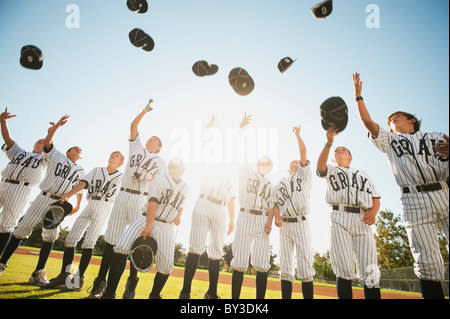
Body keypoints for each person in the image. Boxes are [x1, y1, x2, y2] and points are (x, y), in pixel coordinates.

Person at [353, 72, 449, 299]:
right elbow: (368, 123)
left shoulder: (437, 136)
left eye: (396, 117)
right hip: (413, 198)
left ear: (412, 120)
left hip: (445, 191)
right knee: (427, 262)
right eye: (389, 120)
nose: (392, 120)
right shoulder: (390, 141)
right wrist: (359, 97)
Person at [87, 100, 167, 299]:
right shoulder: (136, 148)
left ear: (159, 147)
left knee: (136, 241)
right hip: (122, 194)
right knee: (111, 241)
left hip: (140, 199)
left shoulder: (160, 161)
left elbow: (161, 182)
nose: (151, 139)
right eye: (150, 138)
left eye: (155, 140)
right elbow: (133, 126)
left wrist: (148, 177)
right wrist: (145, 110)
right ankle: (100, 284)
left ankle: (131, 283)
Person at [0, 114, 84, 285]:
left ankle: (38, 272)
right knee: (21, 229)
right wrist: (55, 129)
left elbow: (81, 186)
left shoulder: (81, 170)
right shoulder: (58, 156)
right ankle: (2, 263)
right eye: (75, 148)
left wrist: (77, 204)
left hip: (58, 203)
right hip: (43, 196)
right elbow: (47, 144)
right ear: (68, 152)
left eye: (80, 151)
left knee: (51, 236)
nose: (79, 150)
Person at [100, 157, 189, 299]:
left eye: (181, 165)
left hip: (167, 225)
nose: (179, 167)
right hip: (146, 218)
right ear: (170, 166)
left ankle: (154, 295)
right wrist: (149, 225)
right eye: (176, 164)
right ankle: (109, 293)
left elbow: (182, 204)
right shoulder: (160, 179)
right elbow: (153, 201)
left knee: (166, 266)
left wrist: (178, 216)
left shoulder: (185, 186)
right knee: (121, 247)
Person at [42, 151, 124, 291]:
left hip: (105, 206)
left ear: (121, 162)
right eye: (112, 154)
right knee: (70, 239)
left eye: (117, 155)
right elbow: (83, 183)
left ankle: (78, 280)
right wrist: (68, 195)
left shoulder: (122, 177)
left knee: (89, 242)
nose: (113, 155)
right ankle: (64, 275)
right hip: (90, 202)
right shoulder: (97, 170)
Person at [317, 125, 382, 299]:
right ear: (334, 157)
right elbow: (320, 166)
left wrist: (374, 212)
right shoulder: (331, 170)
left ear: (350, 157)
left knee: (370, 267)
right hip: (339, 215)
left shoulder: (364, 174)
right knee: (344, 267)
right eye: (337, 150)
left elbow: (375, 197)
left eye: (343, 149)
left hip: (363, 217)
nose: (340, 151)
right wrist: (329, 143)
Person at [179, 115, 236, 299]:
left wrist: (232, 219)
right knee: (196, 247)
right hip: (204, 202)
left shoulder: (233, 172)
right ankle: (185, 291)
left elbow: (232, 198)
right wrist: (208, 128)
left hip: (221, 208)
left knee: (216, 252)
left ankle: (212, 293)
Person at [230, 113, 274, 299]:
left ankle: (260, 303)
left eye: (267, 162)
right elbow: (238, 151)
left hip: (263, 218)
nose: (263, 163)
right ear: (257, 164)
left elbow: (272, 206)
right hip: (245, 215)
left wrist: (269, 222)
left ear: (270, 167)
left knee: (262, 262)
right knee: (239, 259)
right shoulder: (246, 172)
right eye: (261, 161)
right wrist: (240, 129)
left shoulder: (271, 184)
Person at [0, 108, 46, 272]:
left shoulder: (45, 159)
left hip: (21, 189)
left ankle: (0, 263)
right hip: (3, 183)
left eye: (45, 142)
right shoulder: (20, 152)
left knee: (6, 226)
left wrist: (51, 134)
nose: (41, 142)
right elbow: (8, 139)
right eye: (39, 141)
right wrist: (3, 121)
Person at [273, 125, 315, 299]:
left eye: (298, 161)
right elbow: (275, 203)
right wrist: (276, 217)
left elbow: (303, 151)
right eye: (293, 161)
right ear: (287, 167)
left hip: (301, 221)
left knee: (305, 264)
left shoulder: (304, 176)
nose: (295, 161)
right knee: (285, 264)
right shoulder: (280, 182)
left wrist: (298, 135)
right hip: (285, 225)